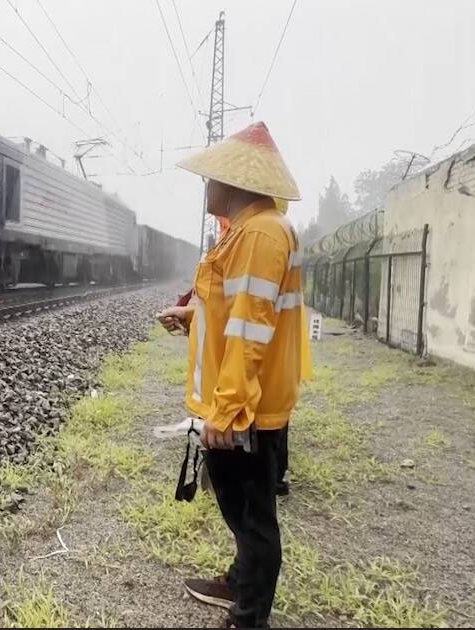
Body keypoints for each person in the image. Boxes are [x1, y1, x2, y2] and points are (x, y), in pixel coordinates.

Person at [157, 121, 304, 628]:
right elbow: (238, 311)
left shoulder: (259, 234)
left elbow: (250, 331)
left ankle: (248, 617)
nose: (206, 187)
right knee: (240, 506)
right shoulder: (251, 230)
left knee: (252, 516)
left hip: (247, 407)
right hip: (246, 401)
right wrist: (192, 316)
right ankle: (240, 583)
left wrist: (227, 409)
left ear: (234, 182)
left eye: (211, 178)